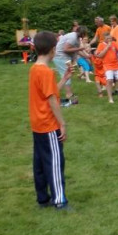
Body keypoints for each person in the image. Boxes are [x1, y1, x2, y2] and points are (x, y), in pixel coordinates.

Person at [28, 31, 71, 210]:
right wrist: (62, 123)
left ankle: (42, 199)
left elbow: (50, 92)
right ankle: (59, 201)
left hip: (37, 125)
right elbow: (52, 100)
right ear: (53, 50)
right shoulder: (45, 72)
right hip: (48, 125)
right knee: (54, 163)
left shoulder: (35, 69)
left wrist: (64, 78)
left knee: (39, 163)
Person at [53, 26, 88, 106]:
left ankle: (67, 93)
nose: (85, 36)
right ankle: (68, 94)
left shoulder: (77, 38)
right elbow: (66, 49)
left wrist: (87, 56)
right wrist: (80, 49)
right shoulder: (73, 37)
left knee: (66, 75)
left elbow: (77, 50)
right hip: (60, 56)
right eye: (84, 34)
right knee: (66, 75)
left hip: (64, 57)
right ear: (82, 33)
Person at [96, 32, 118, 104]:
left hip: (116, 64)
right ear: (104, 39)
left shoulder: (114, 43)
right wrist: (107, 47)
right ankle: (110, 98)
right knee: (109, 81)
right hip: (107, 65)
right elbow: (99, 55)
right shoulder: (101, 45)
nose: (110, 40)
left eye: (110, 38)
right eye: (108, 38)